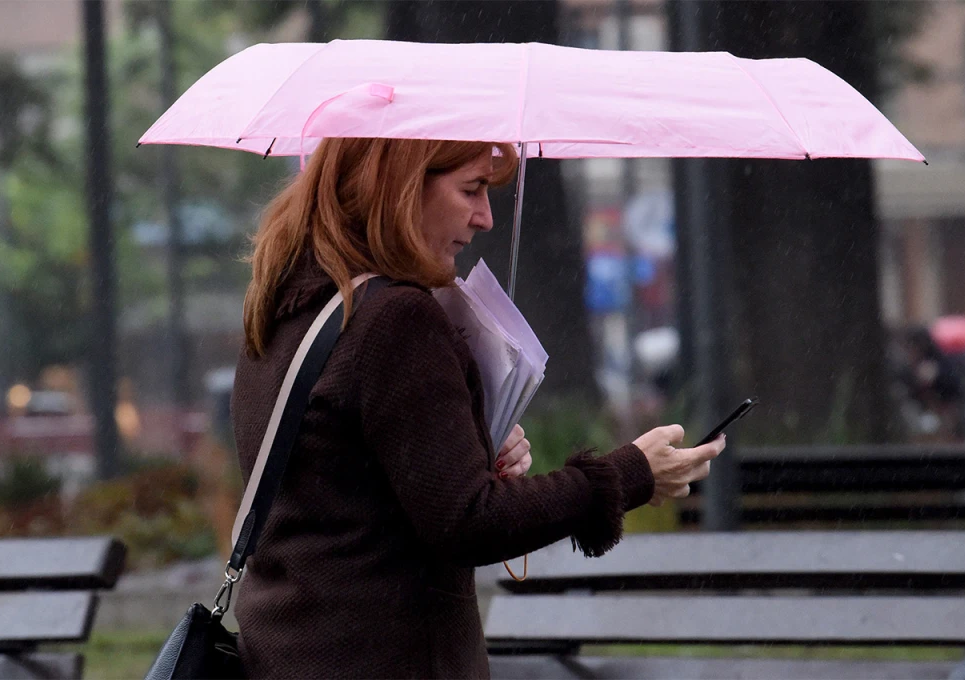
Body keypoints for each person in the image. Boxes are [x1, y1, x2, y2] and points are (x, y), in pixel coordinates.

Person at [230, 137, 725, 679]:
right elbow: (470, 521)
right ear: (397, 188)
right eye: (471, 189)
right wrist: (628, 474)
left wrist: (462, 444)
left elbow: (343, 498)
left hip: (289, 653)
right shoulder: (397, 321)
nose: (486, 217)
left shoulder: (289, 303)